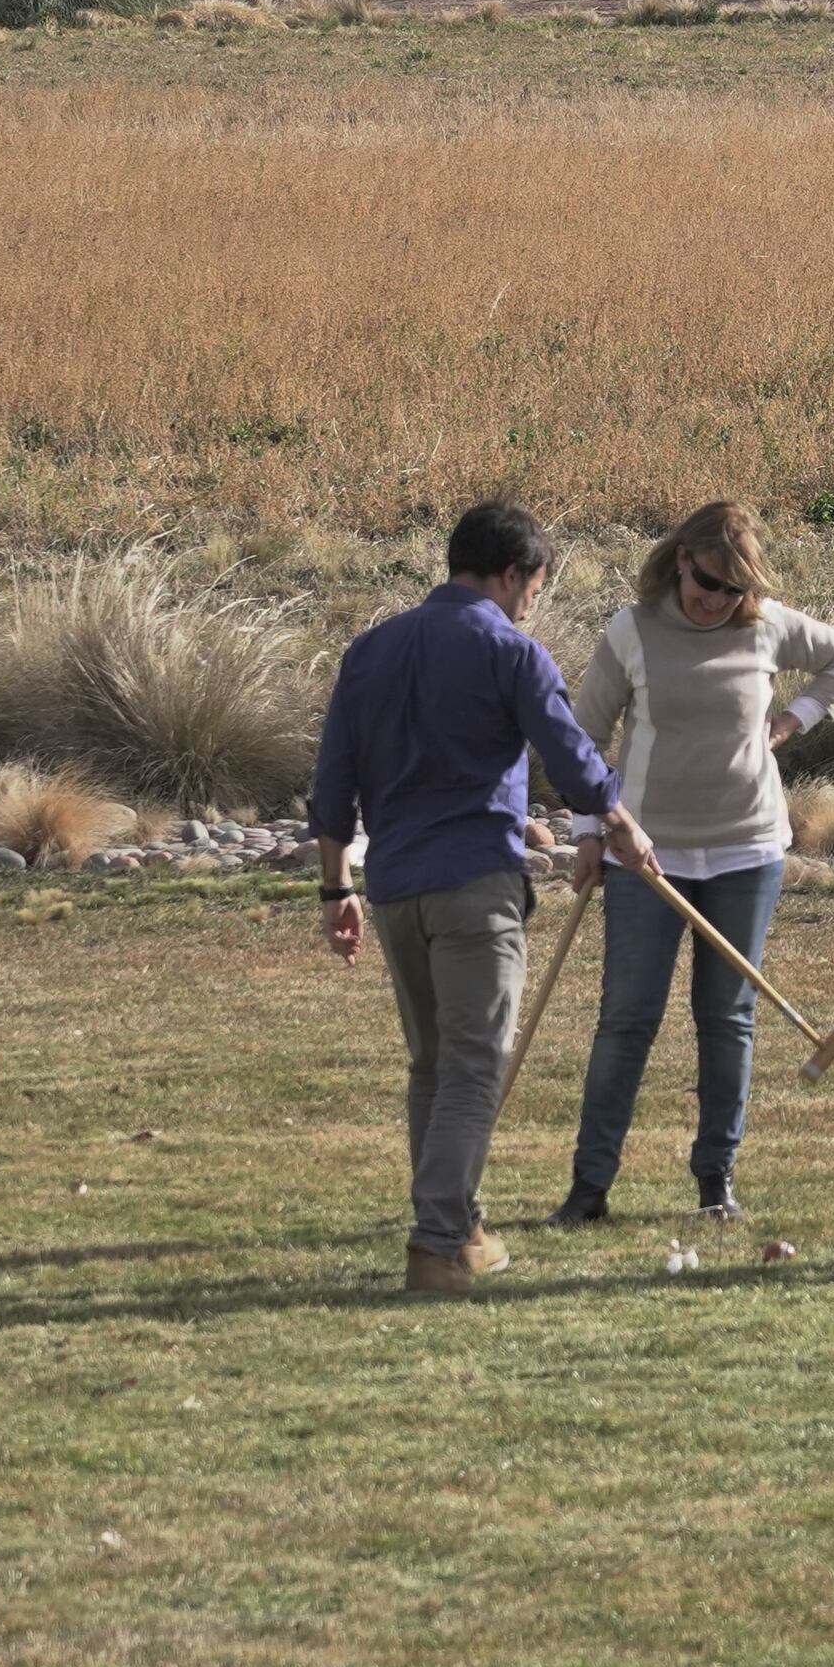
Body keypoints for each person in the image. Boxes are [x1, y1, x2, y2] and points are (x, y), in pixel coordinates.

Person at [309, 500, 654, 1296]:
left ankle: (461, 1228)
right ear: (512, 575)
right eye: (535, 585)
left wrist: (336, 886)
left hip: (395, 889)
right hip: (474, 887)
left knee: (433, 1065)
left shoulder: (370, 649)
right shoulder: (511, 650)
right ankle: (435, 1244)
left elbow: (332, 782)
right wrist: (623, 826)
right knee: (472, 1068)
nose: (533, 599)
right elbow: (572, 760)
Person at [544, 501, 834, 1230]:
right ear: (679, 560)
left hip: (746, 848)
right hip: (644, 854)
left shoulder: (768, 625)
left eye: (729, 588)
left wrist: (793, 720)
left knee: (726, 1018)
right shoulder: (631, 630)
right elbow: (584, 734)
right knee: (626, 1018)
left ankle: (715, 1179)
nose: (713, 598)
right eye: (704, 580)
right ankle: (588, 1185)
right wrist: (591, 830)